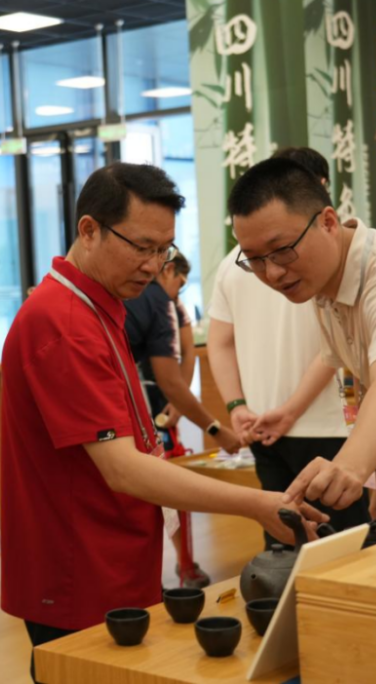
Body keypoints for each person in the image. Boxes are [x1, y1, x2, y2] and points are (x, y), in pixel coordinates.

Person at [0, 162, 327, 683]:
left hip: (112, 556)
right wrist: (255, 503)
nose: (153, 265)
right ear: (89, 230)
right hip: (76, 566)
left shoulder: (99, 305)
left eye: (164, 250)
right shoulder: (63, 321)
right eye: (141, 246)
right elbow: (123, 469)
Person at [228, 157, 376, 532]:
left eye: (282, 250)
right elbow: (359, 381)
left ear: (328, 222)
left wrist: (352, 465)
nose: (272, 273)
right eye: (254, 260)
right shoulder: (324, 281)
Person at [208, 148, 376, 548]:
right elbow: (335, 345)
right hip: (324, 426)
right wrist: (284, 412)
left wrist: (239, 408)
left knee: (284, 548)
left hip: (263, 427)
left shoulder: (239, 258)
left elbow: (219, 343)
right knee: (342, 549)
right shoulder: (325, 256)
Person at [125, 250, 238, 588]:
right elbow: (173, 376)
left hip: (152, 403)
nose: (179, 290)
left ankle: (182, 566)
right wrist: (215, 428)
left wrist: (178, 401)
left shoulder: (169, 303)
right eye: (179, 283)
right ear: (168, 268)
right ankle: (160, 573)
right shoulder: (157, 300)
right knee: (162, 486)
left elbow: (187, 354)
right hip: (144, 402)